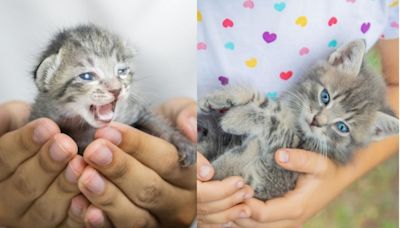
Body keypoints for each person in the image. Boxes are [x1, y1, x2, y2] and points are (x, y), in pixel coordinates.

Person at [196, 1, 399, 227]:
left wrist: (335, 181)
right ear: (340, 59)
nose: (319, 120)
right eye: (325, 98)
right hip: (178, 133)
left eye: (341, 126)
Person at [0, 0, 197, 227]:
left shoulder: (123, 108)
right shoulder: (43, 119)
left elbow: (143, 115)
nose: (115, 87)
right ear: (48, 78)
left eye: (121, 71)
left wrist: (175, 138)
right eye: (87, 76)